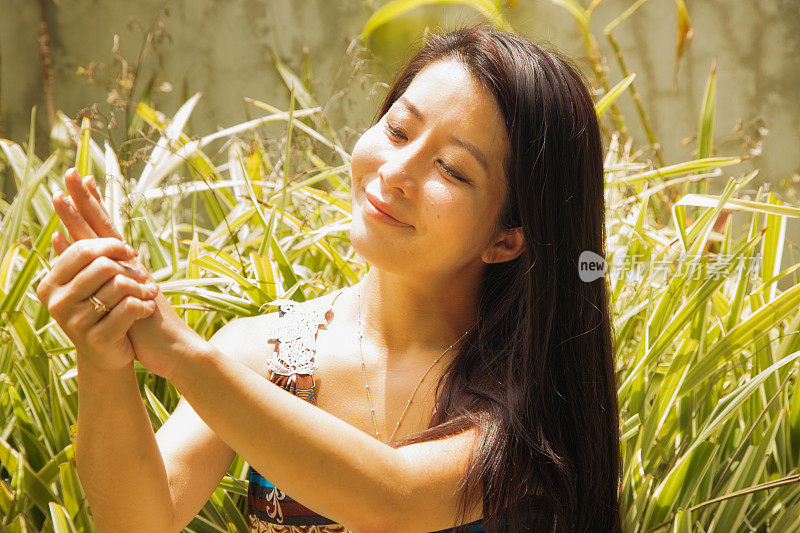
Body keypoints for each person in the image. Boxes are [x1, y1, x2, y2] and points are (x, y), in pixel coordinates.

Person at [35, 25, 621, 532]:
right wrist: (106, 349)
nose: (394, 172)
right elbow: (137, 522)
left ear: (507, 237)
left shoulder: (541, 396)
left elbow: (389, 502)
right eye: (397, 130)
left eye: (451, 168)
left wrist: (178, 351)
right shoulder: (260, 354)